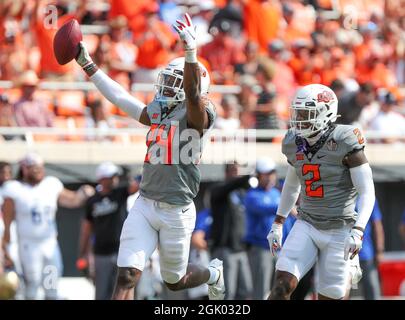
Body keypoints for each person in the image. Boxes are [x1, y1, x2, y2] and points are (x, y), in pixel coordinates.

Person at [74, 13, 224, 300]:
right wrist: (88, 65)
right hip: (145, 202)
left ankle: (213, 273)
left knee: (174, 281)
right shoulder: (161, 110)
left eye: (173, 83)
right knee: (127, 275)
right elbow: (120, 98)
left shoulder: (199, 113)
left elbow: (192, 95)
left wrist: (191, 51)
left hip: (176, 209)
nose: (166, 88)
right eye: (166, 81)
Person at [267, 84, 375, 300]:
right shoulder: (292, 141)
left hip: (340, 228)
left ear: (326, 113)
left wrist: (359, 230)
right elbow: (291, 184)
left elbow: (367, 191)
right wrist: (278, 222)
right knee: (280, 287)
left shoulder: (345, 138)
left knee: (331, 296)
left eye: (306, 114)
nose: (299, 119)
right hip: (307, 223)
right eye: (297, 113)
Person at [1, 153, 94, 299]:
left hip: (49, 243)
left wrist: (83, 194)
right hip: (27, 245)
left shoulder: (51, 184)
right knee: (32, 284)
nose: (38, 171)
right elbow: (7, 221)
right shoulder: (14, 188)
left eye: (39, 168)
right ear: (24, 169)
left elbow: (72, 200)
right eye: (33, 168)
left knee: (51, 284)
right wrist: (6, 245)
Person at [77, 162, 138, 300]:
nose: (114, 179)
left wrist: (128, 175)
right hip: (101, 253)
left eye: (115, 176)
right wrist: (83, 254)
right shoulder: (92, 201)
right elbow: (86, 229)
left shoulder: (120, 193)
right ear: (102, 179)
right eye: (111, 177)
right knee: (102, 292)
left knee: (124, 290)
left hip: (122, 251)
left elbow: (135, 186)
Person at [244, 158, 295, 300]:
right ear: (258, 176)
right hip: (261, 249)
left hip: (280, 250)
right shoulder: (252, 195)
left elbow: (288, 222)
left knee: (279, 290)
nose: (270, 176)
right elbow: (262, 208)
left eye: (272, 173)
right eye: (266, 173)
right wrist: (286, 208)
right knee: (260, 291)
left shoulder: (276, 193)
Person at [209, 163, 253, 300]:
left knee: (246, 290)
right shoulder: (218, 190)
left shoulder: (240, 193)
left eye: (238, 172)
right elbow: (229, 187)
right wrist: (247, 177)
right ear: (226, 173)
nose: (236, 175)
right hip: (225, 249)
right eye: (233, 171)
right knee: (228, 292)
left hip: (240, 249)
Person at [357, 199, 384, 300]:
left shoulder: (368, 196)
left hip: (365, 254)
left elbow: (377, 224)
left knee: (372, 290)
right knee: (343, 290)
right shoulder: (341, 194)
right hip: (344, 254)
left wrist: (379, 250)